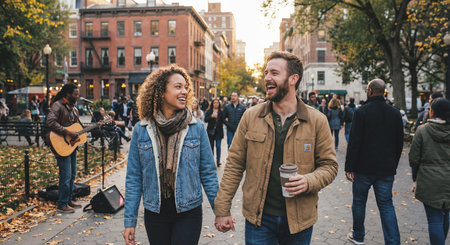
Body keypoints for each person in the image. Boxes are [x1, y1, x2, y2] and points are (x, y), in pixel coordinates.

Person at [214, 51, 338, 244]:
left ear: (292, 79)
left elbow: (330, 166)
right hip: (259, 220)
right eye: (265, 73)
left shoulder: (317, 121)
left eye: (274, 73)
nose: (267, 78)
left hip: (299, 221)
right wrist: (222, 209)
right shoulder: (251, 117)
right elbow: (234, 164)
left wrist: (309, 181)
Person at [123, 65, 219, 245]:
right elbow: (134, 178)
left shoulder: (196, 127)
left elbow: (208, 172)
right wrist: (130, 221)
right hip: (155, 212)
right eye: (178, 87)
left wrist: (220, 211)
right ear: (161, 92)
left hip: (189, 211)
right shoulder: (141, 130)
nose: (184, 91)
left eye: (185, 87)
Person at [345, 79, 404, 245]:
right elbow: (399, 143)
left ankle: (358, 235)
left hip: (363, 167)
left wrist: (349, 166)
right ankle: (393, 241)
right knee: (386, 206)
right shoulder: (395, 113)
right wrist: (394, 163)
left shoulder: (362, 112)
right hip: (385, 169)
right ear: (384, 92)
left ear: (370, 91)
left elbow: (355, 141)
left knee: (359, 202)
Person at [409, 98, 450, 245]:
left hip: (429, 180)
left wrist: (418, 173)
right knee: (446, 216)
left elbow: (413, 159)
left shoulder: (423, 130)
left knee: (434, 219)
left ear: (432, 112)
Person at [46, 83, 82, 213]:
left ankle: (68, 200)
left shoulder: (73, 108)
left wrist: (97, 125)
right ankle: (62, 203)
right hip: (61, 143)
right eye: (75, 94)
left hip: (71, 145)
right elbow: (50, 122)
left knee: (72, 174)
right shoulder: (58, 105)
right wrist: (67, 133)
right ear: (68, 94)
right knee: (65, 175)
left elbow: (76, 127)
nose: (77, 96)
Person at [205, 98, 224, 167]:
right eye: (214, 103)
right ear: (212, 104)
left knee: (218, 146)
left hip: (219, 131)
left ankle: (218, 160)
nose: (216, 104)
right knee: (211, 147)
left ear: (219, 104)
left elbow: (223, 120)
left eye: (217, 103)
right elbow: (205, 119)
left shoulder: (221, 112)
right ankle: (211, 161)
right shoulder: (209, 111)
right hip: (210, 131)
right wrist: (211, 116)